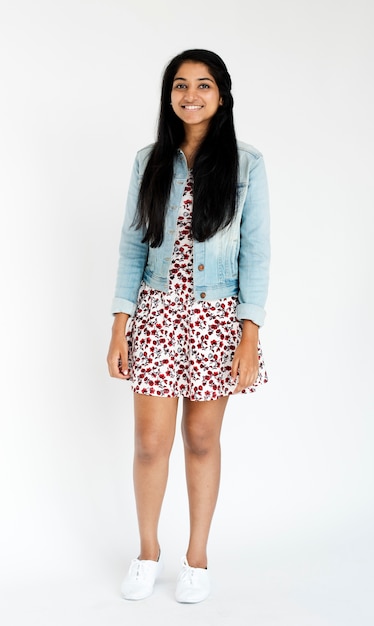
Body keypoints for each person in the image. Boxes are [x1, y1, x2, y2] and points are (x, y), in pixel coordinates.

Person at [107, 49, 270, 603]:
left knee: (202, 439)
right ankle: (147, 551)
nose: (190, 94)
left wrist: (250, 335)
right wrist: (118, 324)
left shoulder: (247, 165)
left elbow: (258, 256)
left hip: (217, 317)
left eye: (203, 85)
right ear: (169, 95)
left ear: (221, 95)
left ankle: (196, 556)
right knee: (150, 444)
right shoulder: (146, 161)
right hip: (155, 314)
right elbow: (132, 246)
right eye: (180, 85)